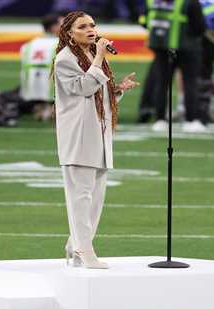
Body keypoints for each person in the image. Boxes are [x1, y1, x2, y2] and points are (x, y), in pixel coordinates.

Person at [53, 11, 139, 268]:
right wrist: (101, 56)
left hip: (99, 133)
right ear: (70, 32)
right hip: (78, 135)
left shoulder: (90, 54)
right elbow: (82, 88)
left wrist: (117, 90)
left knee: (96, 196)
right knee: (80, 195)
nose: (91, 29)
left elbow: (97, 92)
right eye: (83, 26)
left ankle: (76, 242)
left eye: (92, 25)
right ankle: (83, 249)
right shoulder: (64, 59)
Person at [144, 0, 207, 133]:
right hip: (187, 48)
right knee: (190, 83)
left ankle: (160, 119)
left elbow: (144, 20)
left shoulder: (152, 1)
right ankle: (191, 119)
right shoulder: (189, 2)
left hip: (161, 47)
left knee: (162, 83)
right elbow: (200, 27)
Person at [19, 14, 62, 121]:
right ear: (53, 27)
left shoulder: (29, 44)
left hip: (30, 89)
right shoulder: (60, 44)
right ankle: (53, 108)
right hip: (51, 89)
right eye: (62, 25)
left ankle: (42, 106)